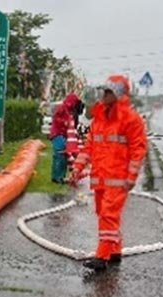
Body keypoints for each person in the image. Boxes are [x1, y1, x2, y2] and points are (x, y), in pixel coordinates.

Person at [70, 75, 147, 271]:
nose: (103, 95)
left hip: (119, 180)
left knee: (108, 215)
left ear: (119, 94)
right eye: (104, 91)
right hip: (100, 179)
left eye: (108, 92)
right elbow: (88, 148)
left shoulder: (131, 119)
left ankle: (101, 257)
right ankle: (115, 250)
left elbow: (138, 149)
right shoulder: (99, 118)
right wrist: (77, 169)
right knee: (103, 214)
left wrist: (131, 177)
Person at [50, 93, 81, 183]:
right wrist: (64, 123)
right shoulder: (62, 108)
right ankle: (56, 177)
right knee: (59, 155)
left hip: (62, 134)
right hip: (57, 134)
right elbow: (56, 118)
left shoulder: (69, 110)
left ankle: (61, 176)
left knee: (63, 156)